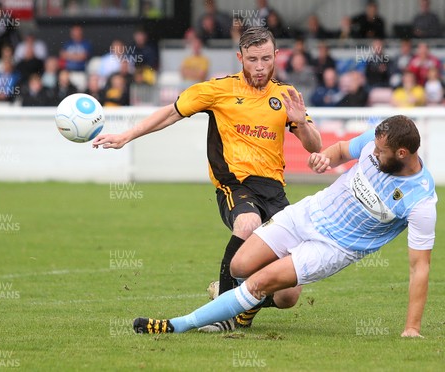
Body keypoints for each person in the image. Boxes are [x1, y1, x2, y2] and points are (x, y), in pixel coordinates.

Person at [93, 27, 322, 329]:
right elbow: (170, 113)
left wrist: (300, 123)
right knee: (248, 223)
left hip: (274, 191)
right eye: (252, 59)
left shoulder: (285, 96)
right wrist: (126, 136)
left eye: (266, 58)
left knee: (289, 295)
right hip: (235, 184)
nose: (259, 66)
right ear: (240, 57)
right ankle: (224, 314)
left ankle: (237, 296)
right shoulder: (218, 90)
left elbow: (314, 146)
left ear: (276, 56)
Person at [131, 115, 437, 337]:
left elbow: (419, 267)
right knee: (239, 266)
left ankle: (178, 324)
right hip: (306, 213)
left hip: (332, 248)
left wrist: (412, 328)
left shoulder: (420, 200)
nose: (373, 153)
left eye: (381, 152)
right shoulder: (378, 139)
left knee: (259, 281)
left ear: (402, 154)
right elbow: (343, 149)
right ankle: (244, 306)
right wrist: (325, 159)